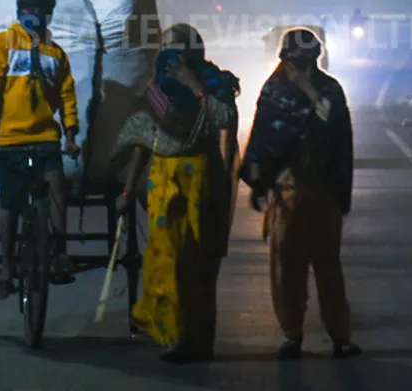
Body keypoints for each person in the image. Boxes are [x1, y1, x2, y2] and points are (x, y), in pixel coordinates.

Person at [114, 23, 240, 363]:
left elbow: (225, 118)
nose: (172, 56)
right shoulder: (156, 90)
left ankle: (199, 338)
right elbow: (143, 140)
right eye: (167, 48)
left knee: (199, 261)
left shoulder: (214, 83)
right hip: (163, 183)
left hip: (199, 182)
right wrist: (128, 190)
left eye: (179, 48)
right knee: (166, 259)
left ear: (194, 52)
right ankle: (174, 335)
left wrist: (194, 86)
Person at [243, 27, 360, 360]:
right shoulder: (274, 91)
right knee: (287, 266)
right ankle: (292, 335)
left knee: (327, 265)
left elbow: (335, 130)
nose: (298, 67)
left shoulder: (329, 91)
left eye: (305, 61)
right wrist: (258, 182)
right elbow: (261, 138)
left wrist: (308, 90)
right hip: (287, 193)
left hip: (323, 191)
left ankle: (340, 337)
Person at [0, 0, 81, 301]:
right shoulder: (3, 44)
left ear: (48, 16)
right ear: (20, 13)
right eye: (28, 10)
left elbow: (67, 97)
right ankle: (7, 270)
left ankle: (59, 252)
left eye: (40, 11)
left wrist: (70, 137)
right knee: (10, 204)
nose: (33, 16)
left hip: (46, 137)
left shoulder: (55, 53)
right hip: (10, 140)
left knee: (56, 187)